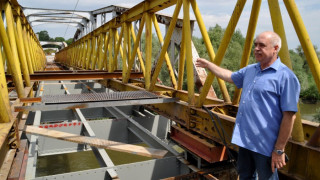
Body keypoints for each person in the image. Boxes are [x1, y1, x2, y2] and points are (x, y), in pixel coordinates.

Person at [196, 31, 300, 180]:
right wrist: (208, 65)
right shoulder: (251, 69)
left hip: (265, 145)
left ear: (275, 48)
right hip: (244, 140)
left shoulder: (286, 77)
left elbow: (289, 117)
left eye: (262, 45)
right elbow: (230, 76)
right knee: (245, 176)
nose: (256, 48)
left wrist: (279, 150)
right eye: (255, 45)